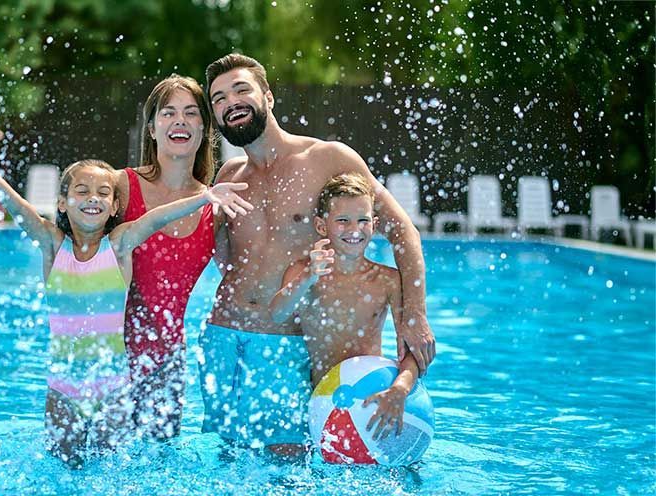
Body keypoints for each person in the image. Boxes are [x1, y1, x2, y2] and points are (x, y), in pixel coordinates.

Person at [0, 116, 252, 465]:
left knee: (108, 473)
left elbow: (157, 218)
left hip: (113, 388)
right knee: (65, 471)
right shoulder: (53, 247)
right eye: (81, 192)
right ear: (62, 203)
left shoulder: (118, 245)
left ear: (114, 206)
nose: (92, 199)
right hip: (62, 389)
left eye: (102, 193)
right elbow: (15, 206)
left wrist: (205, 197)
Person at [199, 53, 434, 455]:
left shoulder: (327, 158)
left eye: (241, 90)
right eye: (218, 98)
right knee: (227, 460)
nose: (230, 102)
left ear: (268, 96)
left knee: (284, 466)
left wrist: (414, 311)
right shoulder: (228, 178)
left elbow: (402, 230)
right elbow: (225, 257)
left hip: (283, 341)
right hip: (222, 338)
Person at [269, 173, 419, 441]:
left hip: (371, 396)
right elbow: (277, 313)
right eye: (342, 221)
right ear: (321, 225)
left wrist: (400, 389)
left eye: (363, 220)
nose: (354, 229)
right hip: (318, 397)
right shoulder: (302, 272)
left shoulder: (388, 280)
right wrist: (308, 278)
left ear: (374, 224)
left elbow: (410, 350)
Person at [114, 75, 223, 439]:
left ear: (205, 129)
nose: (180, 121)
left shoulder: (215, 206)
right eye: (169, 113)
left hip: (167, 362)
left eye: (192, 113)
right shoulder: (120, 187)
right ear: (152, 127)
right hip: (108, 351)